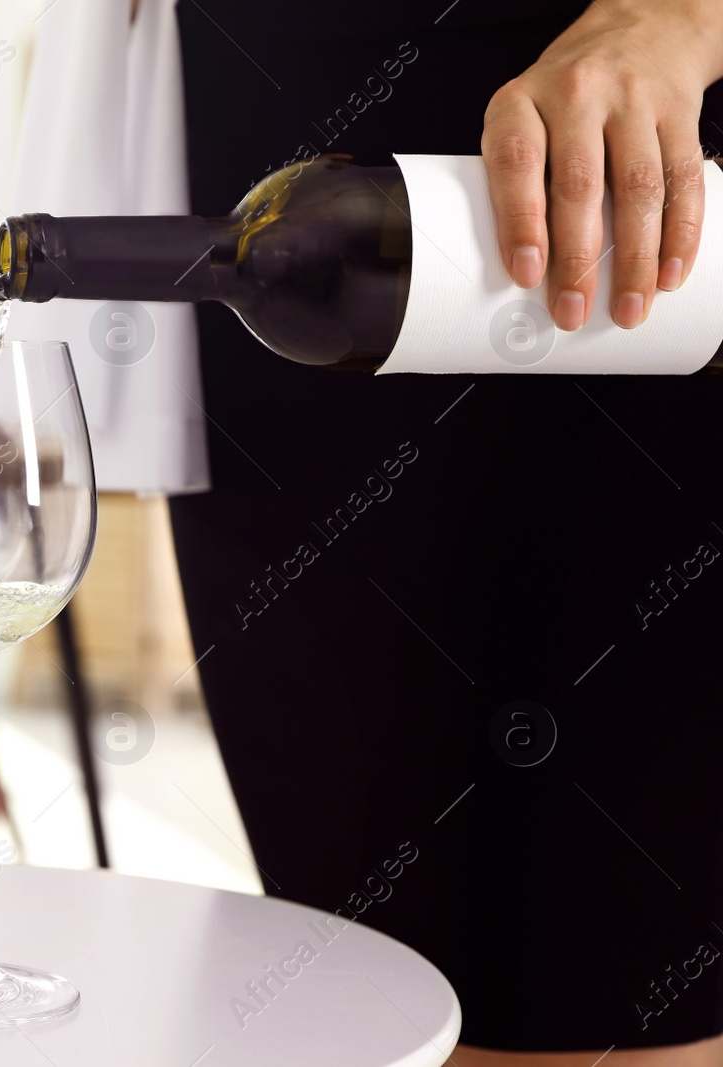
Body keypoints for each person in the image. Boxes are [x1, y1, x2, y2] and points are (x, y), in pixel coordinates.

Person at [167, 0, 723, 1061]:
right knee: (357, 976)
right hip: (263, 121)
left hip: (617, 139)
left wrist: (679, 19)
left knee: (610, 980)